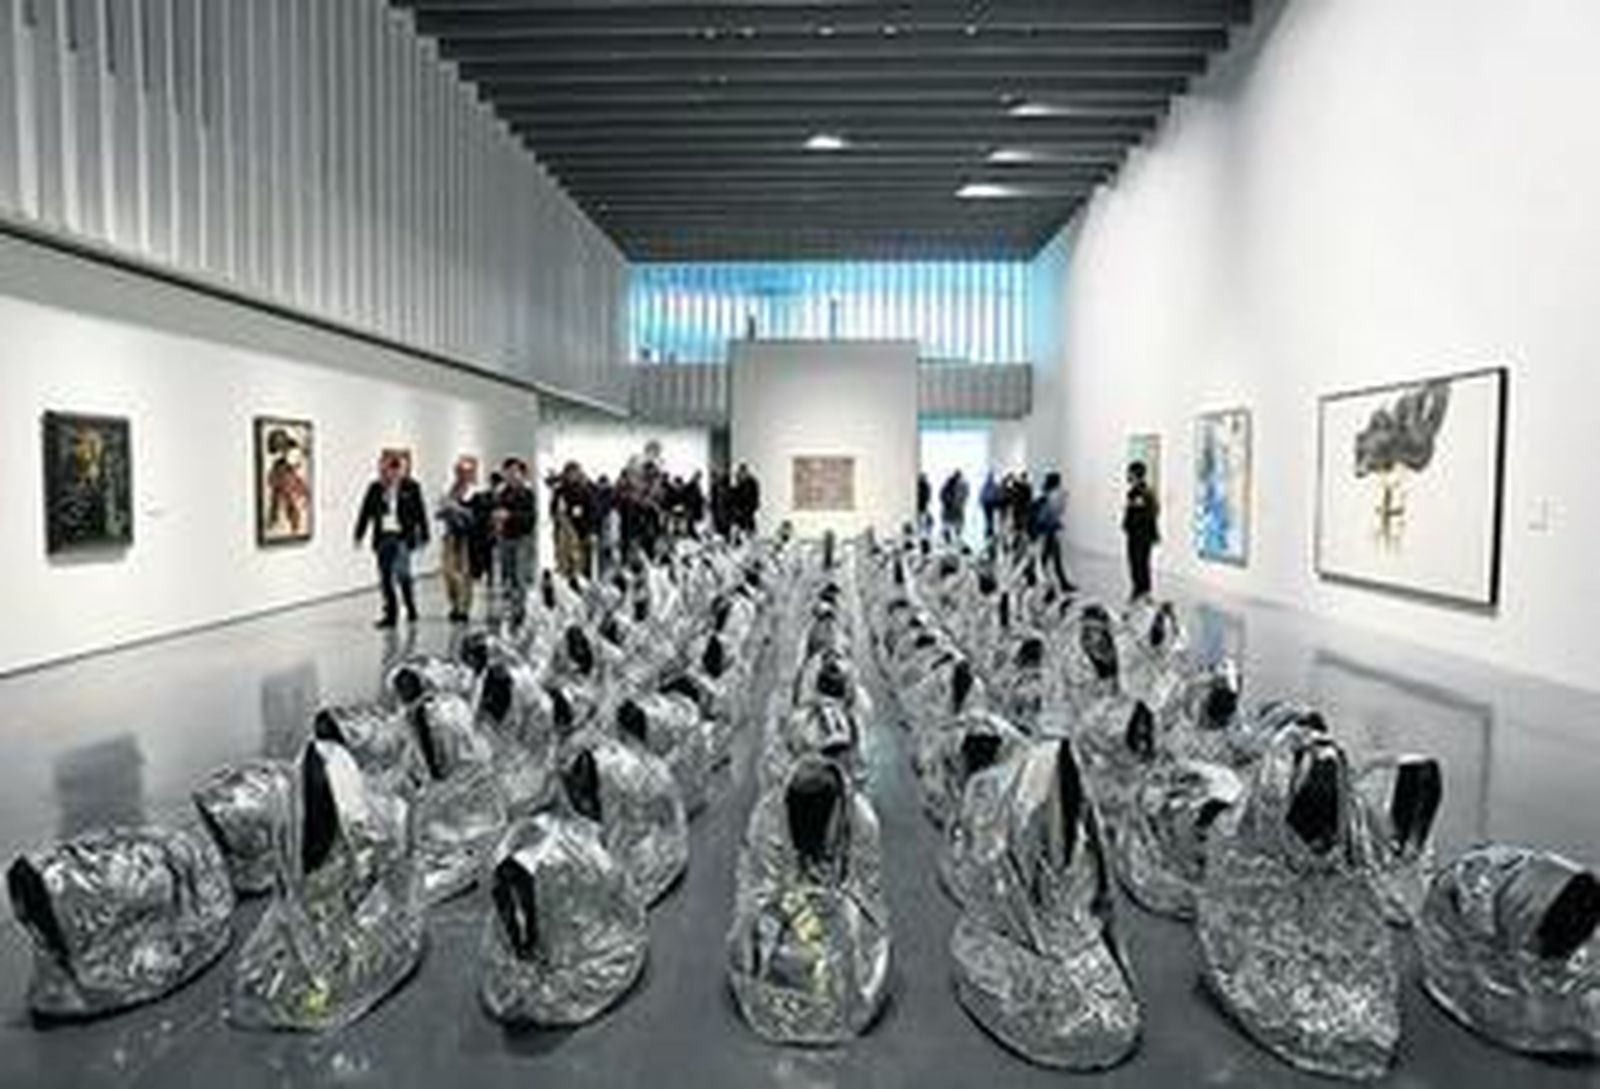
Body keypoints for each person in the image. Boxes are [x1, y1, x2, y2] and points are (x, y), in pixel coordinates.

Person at [354, 453, 429, 628]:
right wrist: (359, 534)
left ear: (397, 470)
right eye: (382, 470)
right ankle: (390, 614)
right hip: (383, 537)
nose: (385, 474)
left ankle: (410, 606)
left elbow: (420, 512)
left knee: (403, 574)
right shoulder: (375, 488)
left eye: (388, 470)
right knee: (385, 577)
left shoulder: (411, 487)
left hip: (402, 536)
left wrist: (424, 534)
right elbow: (365, 512)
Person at [435, 455, 485, 624]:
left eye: (466, 472)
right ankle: (454, 603)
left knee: (465, 573)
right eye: (459, 472)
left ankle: (464, 608)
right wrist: (445, 511)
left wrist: (459, 510)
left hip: (467, 538)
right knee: (448, 572)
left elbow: (478, 517)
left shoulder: (477, 493)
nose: (462, 475)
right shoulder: (448, 490)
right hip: (449, 536)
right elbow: (439, 512)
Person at [492, 457, 537, 623]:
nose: (511, 475)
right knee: (507, 574)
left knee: (519, 575)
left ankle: (520, 609)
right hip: (505, 538)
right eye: (508, 472)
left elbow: (530, 519)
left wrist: (510, 516)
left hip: (522, 538)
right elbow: (495, 511)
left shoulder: (527, 494)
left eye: (515, 472)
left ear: (522, 474)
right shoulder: (502, 494)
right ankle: (510, 607)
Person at [1122, 461, 1161, 601]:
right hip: (1135, 534)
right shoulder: (1133, 493)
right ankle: (1139, 589)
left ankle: (1143, 590)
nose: (1128, 476)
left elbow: (1151, 513)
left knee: (1141, 563)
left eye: (1130, 473)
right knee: (1136, 562)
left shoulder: (1144, 493)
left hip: (1141, 535)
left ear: (1136, 474)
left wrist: (1152, 533)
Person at [1033, 471, 1075, 593]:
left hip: (1046, 531)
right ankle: (1058, 584)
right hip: (1048, 532)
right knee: (1052, 559)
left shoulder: (1045, 495)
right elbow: (1050, 515)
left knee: (1047, 559)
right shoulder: (1052, 496)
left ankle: (1054, 582)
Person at [551, 461, 593, 581]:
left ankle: (581, 578)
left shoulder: (585, 490)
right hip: (564, 529)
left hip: (581, 530)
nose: (572, 476)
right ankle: (565, 576)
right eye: (570, 473)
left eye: (575, 473)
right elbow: (554, 509)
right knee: (564, 555)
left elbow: (591, 509)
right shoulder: (560, 491)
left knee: (581, 557)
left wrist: (589, 528)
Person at [939, 470, 969, 543]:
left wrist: (946, 501)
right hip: (955, 506)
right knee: (957, 521)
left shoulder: (948, 483)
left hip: (949, 506)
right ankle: (956, 535)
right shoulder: (962, 484)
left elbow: (942, 494)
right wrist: (962, 501)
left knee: (948, 522)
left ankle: (949, 536)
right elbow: (965, 495)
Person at [732, 464, 760, 540]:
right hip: (742, 508)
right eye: (739, 474)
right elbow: (738, 494)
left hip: (748, 508)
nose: (740, 475)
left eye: (742, 473)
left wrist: (752, 506)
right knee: (741, 523)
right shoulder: (740, 482)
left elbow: (754, 495)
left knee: (748, 522)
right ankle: (742, 537)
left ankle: (750, 535)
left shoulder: (751, 482)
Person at [979, 470, 1002, 544]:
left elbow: (982, 494)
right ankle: (990, 530)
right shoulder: (994, 485)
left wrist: (981, 501)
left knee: (989, 517)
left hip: (988, 503)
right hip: (990, 503)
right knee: (990, 517)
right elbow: (997, 494)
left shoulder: (986, 485)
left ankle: (989, 530)